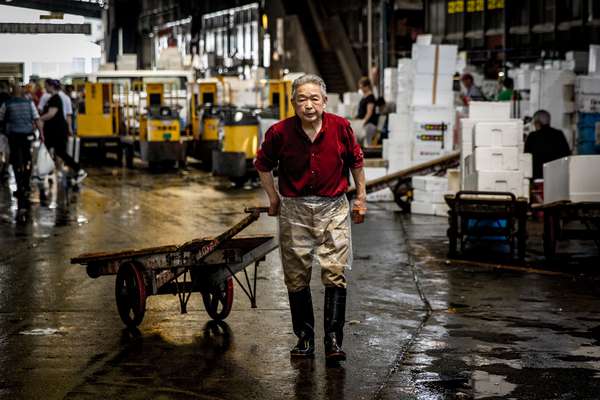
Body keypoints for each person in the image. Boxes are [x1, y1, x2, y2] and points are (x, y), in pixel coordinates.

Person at [255, 74, 367, 362]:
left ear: (324, 101)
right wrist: (273, 198)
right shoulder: (279, 132)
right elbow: (263, 165)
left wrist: (361, 199)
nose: (308, 105)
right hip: (295, 209)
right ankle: (304, 338)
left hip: (334, 208)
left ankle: (332, 340)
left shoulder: (341, 127)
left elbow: (356, 162)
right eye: (302, 99)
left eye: (314, 98)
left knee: (335, 271)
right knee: (296, 275)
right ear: (292, 102)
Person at [0, 84, 43, 214]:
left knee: (16, 161)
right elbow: (37, 119)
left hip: (14, 136)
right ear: (22, 93)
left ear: (12, 92)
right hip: (27, 135)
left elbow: (1, 119)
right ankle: (26, 185)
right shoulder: (29, 103)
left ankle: (20, 187)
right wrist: (41, 134)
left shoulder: (6, 104)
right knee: (27, 159)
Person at [39, 79, 86, 184]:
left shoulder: (55, 98)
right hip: (54, 131)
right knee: (54, 152)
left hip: (57, 131)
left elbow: (52, 114)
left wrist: (40, 119)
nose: (45, 88)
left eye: (46, 86)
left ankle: (78, 170)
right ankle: (47, 173)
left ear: (51, 86)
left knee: (54, 151)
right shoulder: (54, 98)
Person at [524, 110, 571, 180]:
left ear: (538, 123)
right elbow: (567, 155)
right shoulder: (559, 134)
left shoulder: (532, 136)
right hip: (556, 177)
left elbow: (526, 157)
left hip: (537, 178)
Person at [356, 77, 379, 146]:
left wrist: (362, 122)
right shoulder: (364, 96)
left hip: (369, 125)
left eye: (362, 87)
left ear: (367, 86)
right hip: (364, 123)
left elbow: (369, 113)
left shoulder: (370, 97)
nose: (361, 89)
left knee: (367, 144)